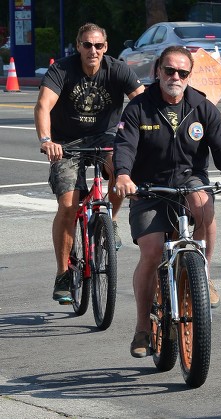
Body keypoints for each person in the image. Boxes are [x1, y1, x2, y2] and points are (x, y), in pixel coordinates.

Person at [113, 45, 221, 358]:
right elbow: (125, 146)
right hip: (147, 187)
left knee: (204, 201)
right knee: (150, 252)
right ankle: (142, 329)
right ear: (157, 71)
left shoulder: (201, 106)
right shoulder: (138, 107)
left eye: (182, 72)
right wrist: (123, 175)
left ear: (189, 76)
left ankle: (204, 275)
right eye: (169, 70)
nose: (175, 77)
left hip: (188, 179)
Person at [34, 23, 144, 304]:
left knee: (121, 171)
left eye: (98, 45)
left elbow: (144, 102)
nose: (92, 50)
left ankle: (112, 221)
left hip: (106, 138)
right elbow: (43, 105)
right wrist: (47, 139)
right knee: (69, 206)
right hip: (66, 144)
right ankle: (62, 273)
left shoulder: (117, 69)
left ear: (105, 47)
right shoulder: (62, 69)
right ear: (78, 46)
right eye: (87, 45)